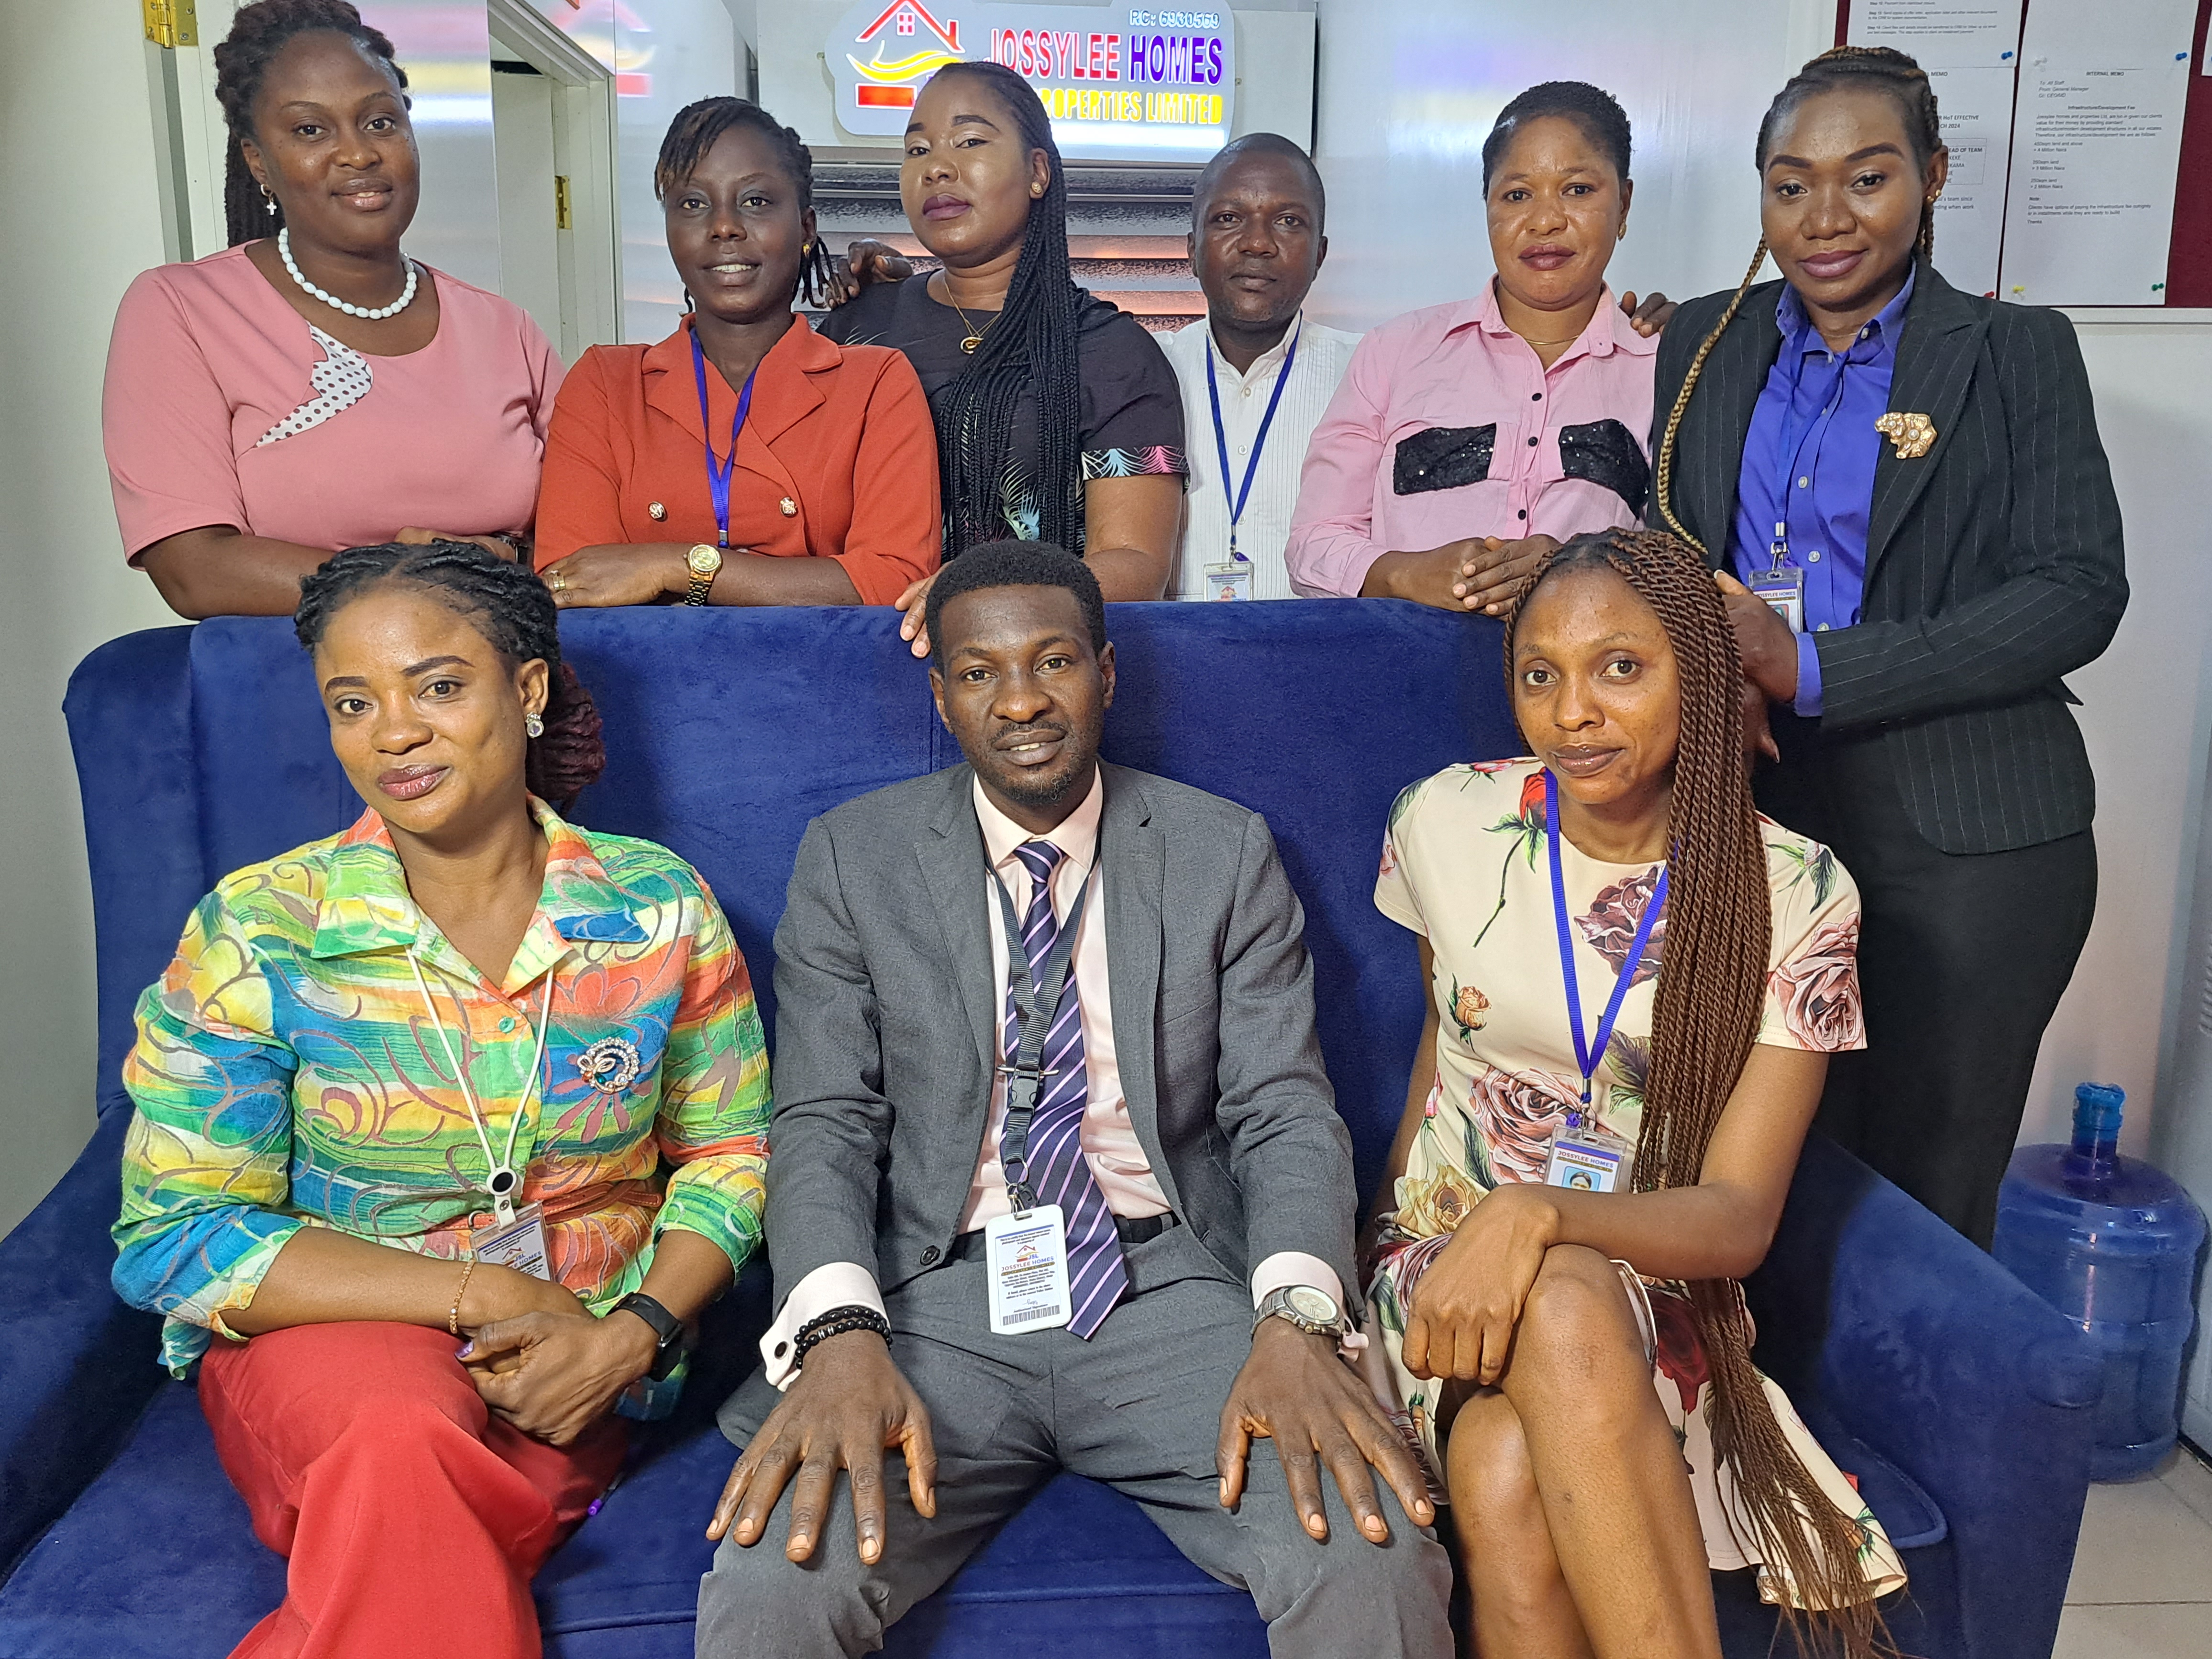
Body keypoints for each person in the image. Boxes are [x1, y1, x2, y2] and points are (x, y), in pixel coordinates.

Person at [694, 542, 1452, 1656]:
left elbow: (1281, 1107)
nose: (1020, 701)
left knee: (1367, 1545)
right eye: (979, 671)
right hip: (933, 1297)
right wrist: (841, 1330)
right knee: (777, 1576)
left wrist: (1295, 1317)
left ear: (1106, 671)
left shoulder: (1218, 849)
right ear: (942, 692)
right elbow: (823, 1120)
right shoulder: (854, 856)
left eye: (1052, 662)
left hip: (1171, 1284)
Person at [111, 542, 771, 1659]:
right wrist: (468, 1291)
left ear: (527, 687)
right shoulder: (262, 926)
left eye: (440, 685)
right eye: (352, 702)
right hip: (331, 1341)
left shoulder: (656, 907)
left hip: (572, 1367)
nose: (395, 732)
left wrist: (630, 1336)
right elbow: (173, 1237)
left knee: (407, 1518)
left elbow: (732, 1152)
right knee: (393, 1429)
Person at [1365, 529, 1905, 1659]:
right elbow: (1439, 1053)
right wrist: (1393, 1236)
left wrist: (1538, 1211)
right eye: (1538, 673)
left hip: (1653, 1287)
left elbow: (1736, 1217)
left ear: (1695, 677)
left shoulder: (1795, 890)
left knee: (1507, 1456)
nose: (1571, 712)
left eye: (1620, 666)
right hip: (1438, 1275)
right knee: (1552, 1303)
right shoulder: (1445, 821)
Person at [1648, 46, 2126, 1247]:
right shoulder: (1702, 340)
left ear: (1931, 177)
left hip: (1965, 839)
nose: (1823, 219)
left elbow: (2076, 590)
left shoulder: (2014, 352)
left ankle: (1901, 1441)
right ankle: (1768, 1430)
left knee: (1922, 1185)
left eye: (1864, 179)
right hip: (1755, 811)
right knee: (1750, 1162)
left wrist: (1811, 667)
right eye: (1788, 183)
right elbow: (1668, 540)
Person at [102, 1, 562, 619]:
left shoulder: (506, 329)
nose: (358, 155)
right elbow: (193, 572)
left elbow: (578, 541)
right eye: (311, 130)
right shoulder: (183, 310)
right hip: (299, 692)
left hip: (503, 689)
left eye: (379, 122)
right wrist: (417, 578)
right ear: (258, 159)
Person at [820, 64, 1187, 654]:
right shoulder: (857, 327)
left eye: (970, 142)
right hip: (859, 655)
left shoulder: (1112, 352)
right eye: (917, 148)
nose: (936, 166)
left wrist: (983, 593)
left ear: (1037, 172)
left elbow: (1137, 563)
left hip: (1031, 670)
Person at [532, 98, 940, 609]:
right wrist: (817, 580)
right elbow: (573, 584)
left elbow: (896, 583)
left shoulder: (875, 383)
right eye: (693, 204)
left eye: (755, 201)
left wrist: (669, 566)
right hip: (642, 685)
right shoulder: (606, 383)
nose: (724, 226)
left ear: (807, 228)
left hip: (826, 683)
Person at [1285, 83, 1670, 615]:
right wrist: (1405, 574)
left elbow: (1690, 564)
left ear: (1623, 204)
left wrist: (1578, 568)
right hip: (1404, 683)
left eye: (1577, 190)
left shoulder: (1666, 368)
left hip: (1586, 691)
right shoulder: (1394, 353)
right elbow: (1312, 544)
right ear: (1486, 204)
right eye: (1516, 195)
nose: (1544, 221)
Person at [1161, 133, 1360, 602]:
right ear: (1191, 250)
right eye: (1229, 219)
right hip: (1169, 659)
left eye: (1289, 222)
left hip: (1320, 658)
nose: (1257, 244)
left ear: (1320, 255)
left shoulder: (1368, 374)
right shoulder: (1144, 370)